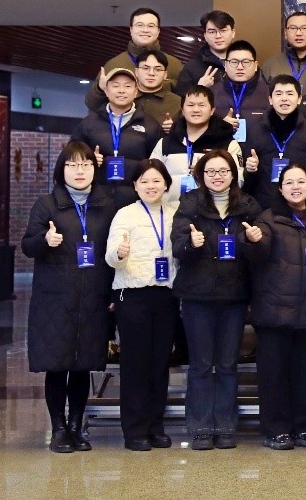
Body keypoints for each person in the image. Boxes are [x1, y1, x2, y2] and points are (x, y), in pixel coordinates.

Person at [21, 142, 117, 453]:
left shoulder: (106, 205)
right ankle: (58, 429)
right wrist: (44, 240)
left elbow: (112, 254)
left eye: (86, 165)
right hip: (55, 299)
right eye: (72, 165)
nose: (80, 171)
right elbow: (27, 246)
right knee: (57, 364)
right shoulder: (47, 205)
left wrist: (111, 292)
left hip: (93, 297)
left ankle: (76, 427)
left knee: (82, 364)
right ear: (61, 169)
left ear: (94, 169)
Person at [169, 149, 262, 451]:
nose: (217, 177)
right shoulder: (189, 203)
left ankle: (225, 426)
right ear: (201, 175)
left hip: (234, 296)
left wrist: (252, 241)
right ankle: (200, 428)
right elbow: (177, 247)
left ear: (233, 174)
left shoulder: (247, 206)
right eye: (210, 172)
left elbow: (259, 253)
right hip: (197, 296)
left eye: (223, 171)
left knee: (227, 364)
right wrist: (191, 243)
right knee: (200, 365)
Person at [247, 163, 306, 451]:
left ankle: (305, 427)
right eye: (289, 183)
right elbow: (258, 251)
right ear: (281, 189)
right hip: (274, 311)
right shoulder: (268, 219)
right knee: (274, 376)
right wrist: (253, 241)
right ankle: (276, 430)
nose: (295, 187)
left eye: (300, 182)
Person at [105, 159, 179, 451]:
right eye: (144, 181)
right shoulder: (125, 214)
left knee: (160, 363)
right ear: (135, 185)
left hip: (166, 295)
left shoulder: (174, 213)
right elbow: (110, 256)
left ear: (166, 185)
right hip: (132, 294)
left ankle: (155, 426)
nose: (151, 186)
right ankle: (135, 430)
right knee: (136, 363)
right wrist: (120, 253)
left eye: (156, 180)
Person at [71, 67, 163, 205]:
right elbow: (71, 155)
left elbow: (159, 164)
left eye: (127, 86)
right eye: (115, 86)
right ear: (106, 90)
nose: (121, 90)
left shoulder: (150, 125)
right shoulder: (89, 123)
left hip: (137, 201)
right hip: (95, 200)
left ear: (136, 91)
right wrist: (88, 158)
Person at [150, 86, 243, 207]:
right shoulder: (165, 143)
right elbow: (151, 177)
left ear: (212, 110)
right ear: (182, 110)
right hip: (169, 209)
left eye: (201, 105)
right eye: (190, 105)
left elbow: (238, 180)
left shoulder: (228, 144)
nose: (196, 110)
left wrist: (209, 173)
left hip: (212, 210)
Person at [245, 75, 306, 209]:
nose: (284, 99)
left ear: (299, 99)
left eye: (290, 93)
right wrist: (251, 170)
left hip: (300, 207)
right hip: (264, 207)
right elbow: (248, 182)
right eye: (278, 94)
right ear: (270, 99)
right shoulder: (255, 130)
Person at [85, 49, 181, 131]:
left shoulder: (177, 103)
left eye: (158, 69)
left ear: (165, 75)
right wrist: (100, 89)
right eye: (145, 68)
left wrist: (176, 129)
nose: (151, 73)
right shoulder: (122, 96)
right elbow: (93, 106)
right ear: (136, 72)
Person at [96, 7, 185, 93]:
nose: (145, 30)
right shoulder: (114, 65)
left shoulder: (174, 65)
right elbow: (93, 101)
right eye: (139, 25)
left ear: (158, 31)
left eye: (151, 26)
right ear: (131, 29)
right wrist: (99, 90)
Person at [211, 40, 271, 151]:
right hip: (221, 157)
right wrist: (218, 124)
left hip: (258, 156)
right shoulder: (211, 94)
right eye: (234, 62)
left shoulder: (269, 94)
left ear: (255, 66)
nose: (240, 67)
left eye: (246, 62)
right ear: (225, 65)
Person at [175, 10, 235, 97]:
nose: (218, 36)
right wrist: (200, 88)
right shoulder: (192, 67)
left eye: (223, 30)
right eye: (212, 32)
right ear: (205, 36)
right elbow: (180, 101)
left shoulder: (245, 63)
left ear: (233, 33)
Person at [261, 11, 306, 95]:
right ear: (285, 33)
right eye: (293, 28)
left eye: (304, 28)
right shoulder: (271, 65)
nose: (298, 33)